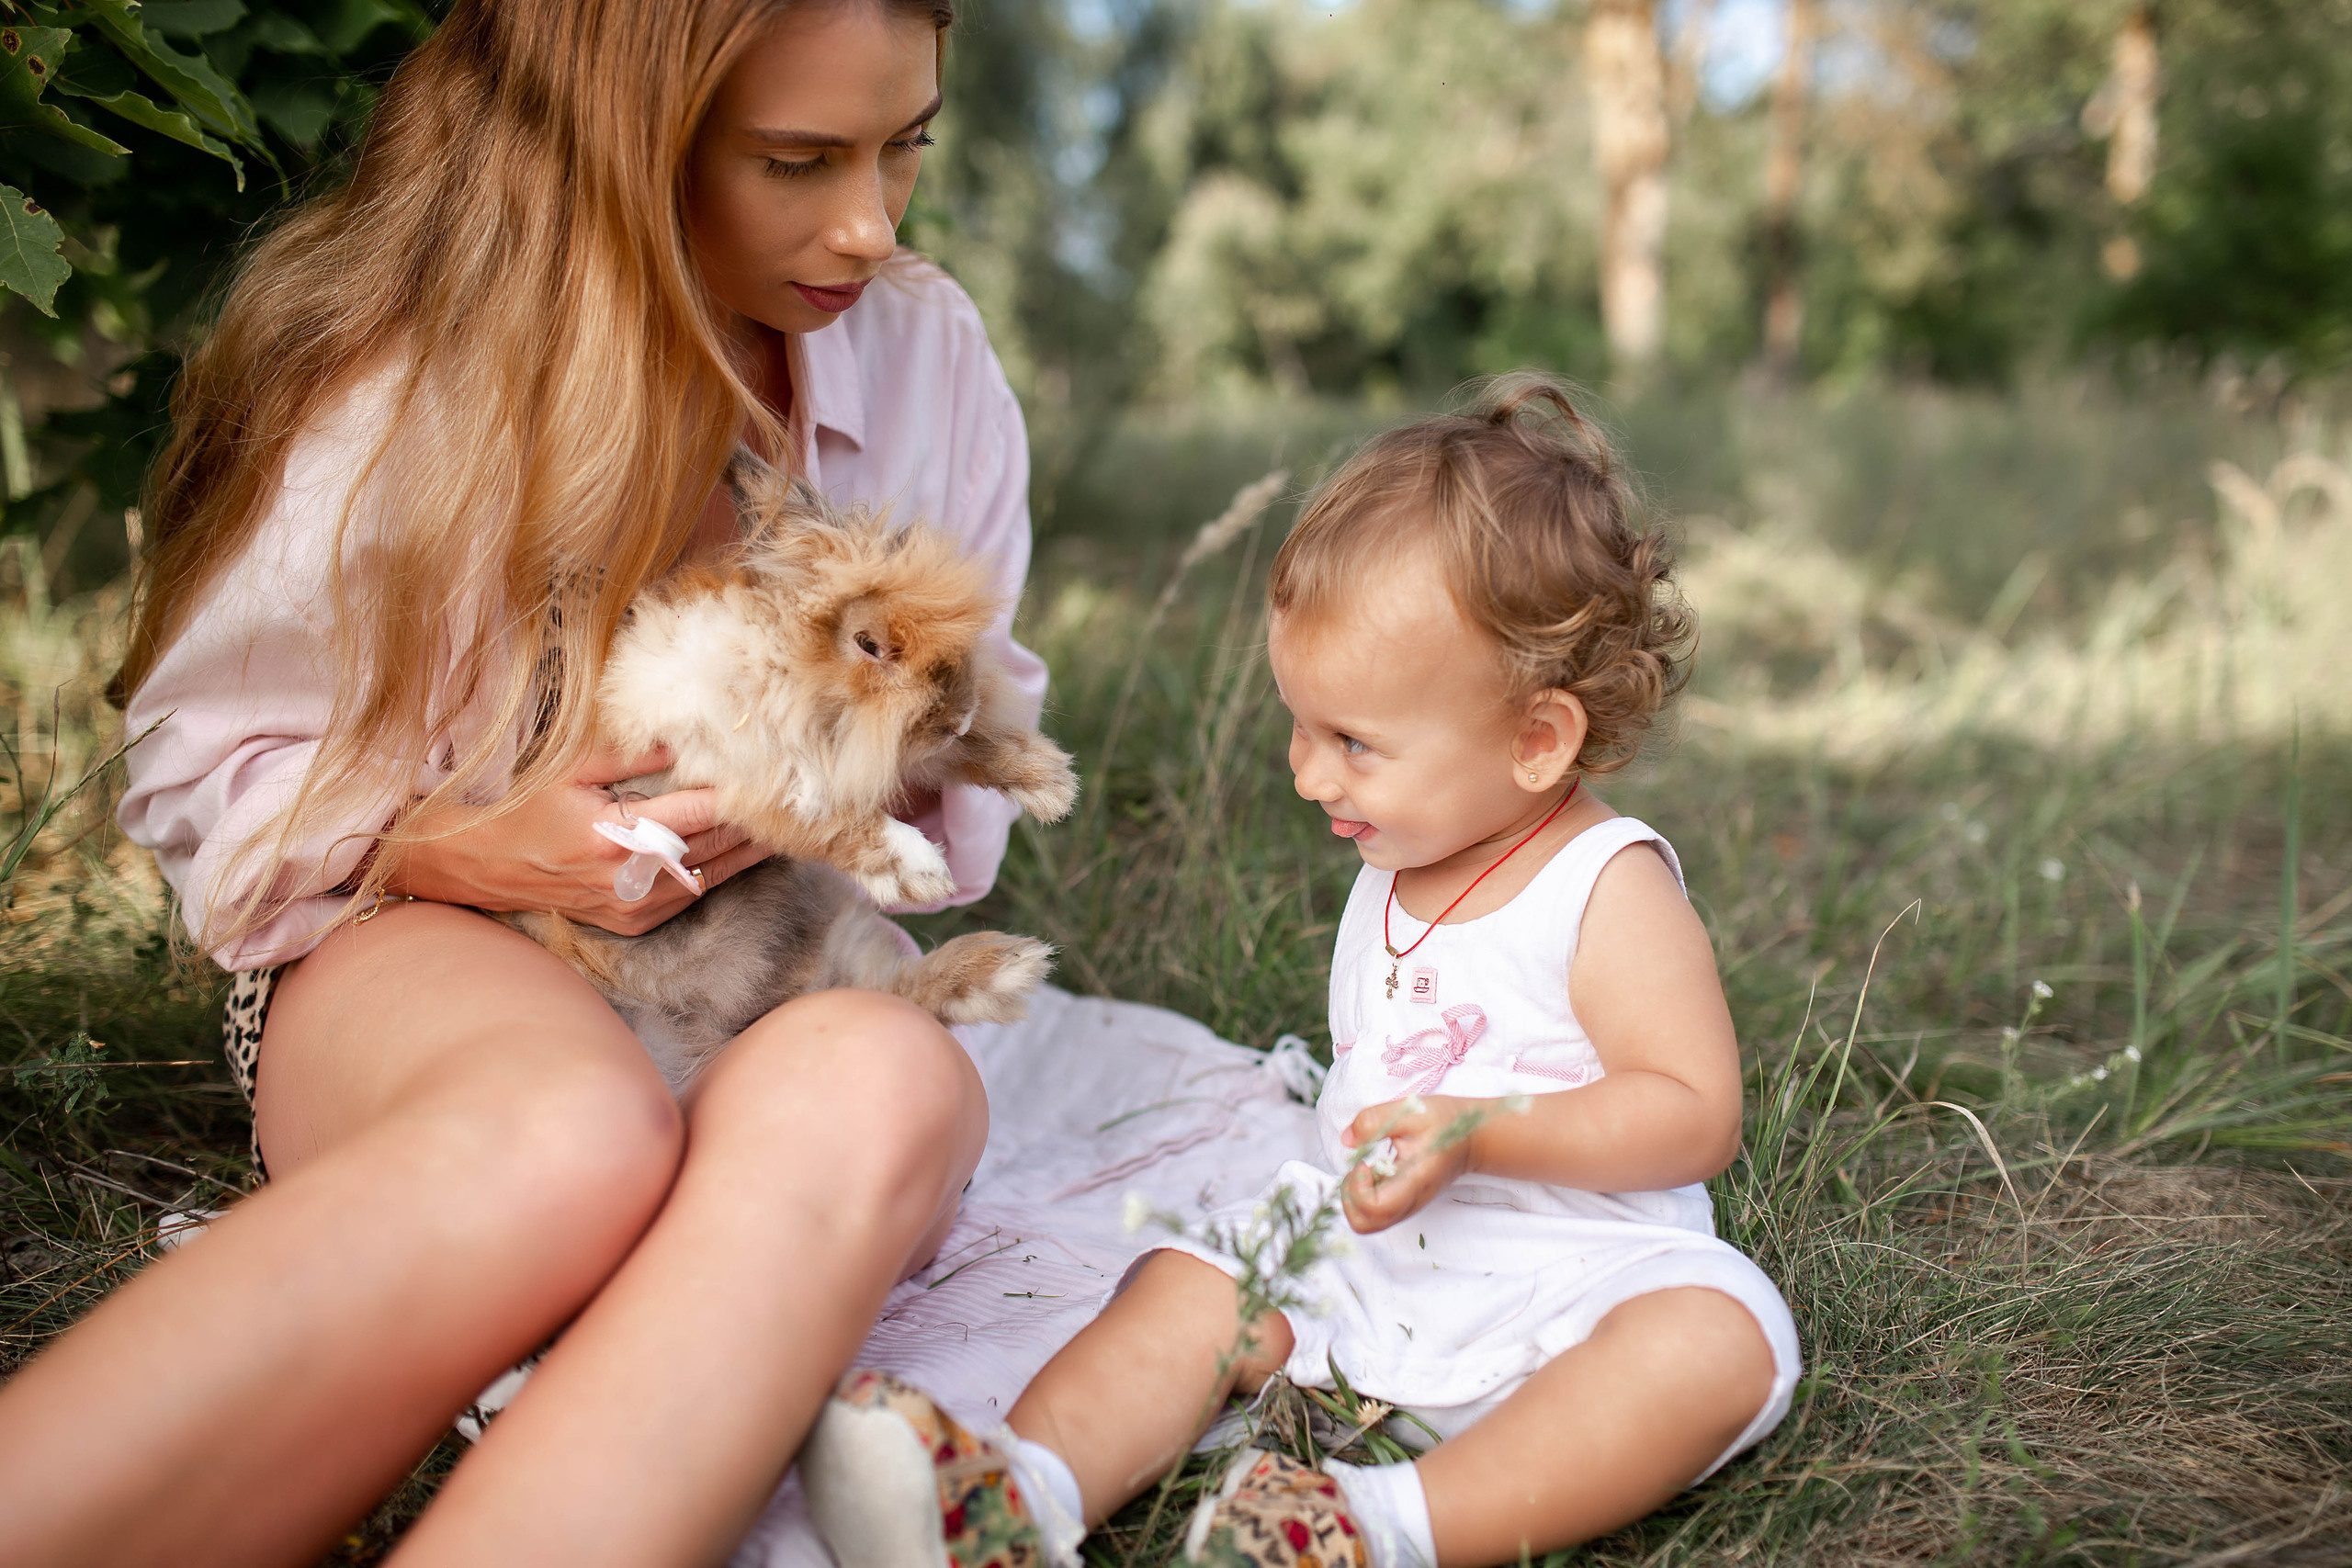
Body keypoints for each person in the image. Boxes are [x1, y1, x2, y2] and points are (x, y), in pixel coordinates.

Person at [0, 2, 1047, 1563]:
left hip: (762, 954)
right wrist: (479, 845)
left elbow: (979, 714)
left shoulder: (925, 352)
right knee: (573, 1134)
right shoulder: (402, 377)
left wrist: (832, 758)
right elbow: (202, 773)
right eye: (795, 160)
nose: (870, 226)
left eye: (907, 146)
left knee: (888, 1083)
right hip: (408, 938)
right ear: (625, 145)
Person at [799, 375, 1803, 1568]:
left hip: (1568, 1272)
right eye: (1301, 725)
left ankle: (1372, 1529)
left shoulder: (1606, 885)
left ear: (1538, 740)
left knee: (1725, 1342)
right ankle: (1017, 1495)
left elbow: (1692, 1112)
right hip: (1374, 1253)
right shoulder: (1413, 849)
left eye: (1353, 743)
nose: (1308, 775)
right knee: (1189, 1280)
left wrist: (1480, 1134)